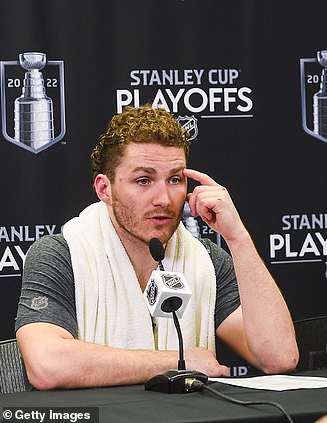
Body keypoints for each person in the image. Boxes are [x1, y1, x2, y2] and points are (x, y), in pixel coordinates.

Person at [15, 104, 298, 390]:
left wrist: (237, 238)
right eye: (143, 180)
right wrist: (178, 361)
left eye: (175, 179)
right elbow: (47, 366)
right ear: (105, 189)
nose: (163, 198)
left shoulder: (205, 260)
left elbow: (278, 357)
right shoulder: (61, 255)